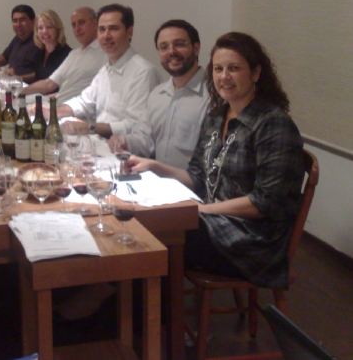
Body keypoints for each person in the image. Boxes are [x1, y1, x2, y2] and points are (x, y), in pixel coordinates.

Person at [128, 32, 304, 288]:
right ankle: (139, 304)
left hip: (253, 241)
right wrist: (155, 166)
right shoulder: (216, 116)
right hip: (214, 221)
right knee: (148, 223)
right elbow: (197, 175)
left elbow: (265, 203)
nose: (224, 76)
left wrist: (199, 210)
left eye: (234, 68)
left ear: (255, 73)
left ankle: (144, 308)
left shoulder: (273, 124)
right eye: (218, 69)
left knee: (160, 234)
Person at [108, 19, 209, 169]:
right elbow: (145, 139)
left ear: (196, 48)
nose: (171, 52)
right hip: (158, 179)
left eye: (179, 44)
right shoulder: (157, 94)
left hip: (194, 183)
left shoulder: (212, 96)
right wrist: (124, 141)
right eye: (164, 47)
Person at [57, 4, 162, 138]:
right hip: (100, 143)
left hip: (125, 148)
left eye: (113, 29)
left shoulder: (143, 73)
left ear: (129, 32)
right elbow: (85, 102)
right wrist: (53, 112)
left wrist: (90, 127)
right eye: (102, 29)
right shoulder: (105, 70)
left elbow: (136, 125)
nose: (106, 35)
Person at [20, 7, 105, 104]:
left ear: (95, 24)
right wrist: (19, 91)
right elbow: (49, 83)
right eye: (74, 25)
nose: (77, 28)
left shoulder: (105, 53)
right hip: (57, 104)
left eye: (81, 22)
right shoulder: (74, 54)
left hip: (72, 108)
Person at [0, 5, 38, 76]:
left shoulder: (40, 41)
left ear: (33, 21)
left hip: (27, 82)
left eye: (22, 20)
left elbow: (44, 74)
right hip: (11, 81)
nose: (18, 24)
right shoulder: (17, 39)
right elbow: (4, 57)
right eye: (15, 21)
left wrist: (18, 77)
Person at [26, 9, 72, 84]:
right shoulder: (39, 52)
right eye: (40, 28)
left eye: (49, 27)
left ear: (57, 30)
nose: (44, 31)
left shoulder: (67, 55)